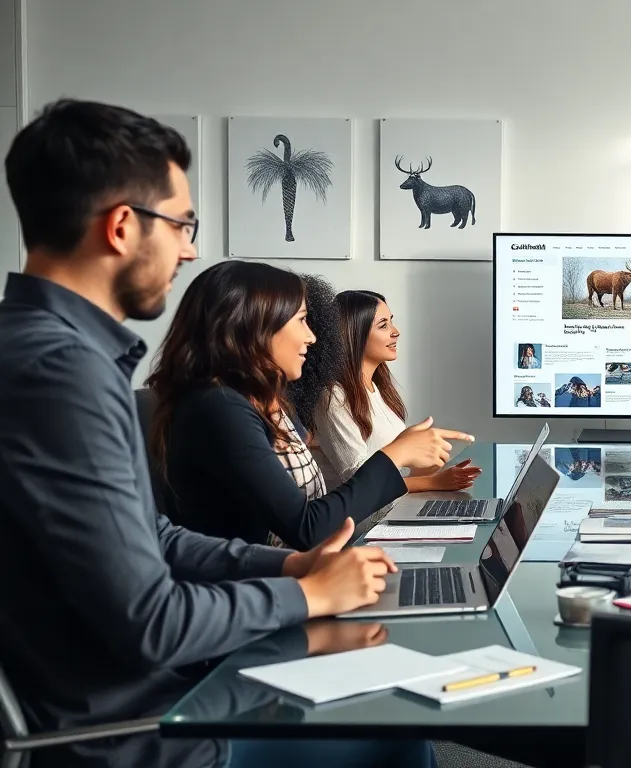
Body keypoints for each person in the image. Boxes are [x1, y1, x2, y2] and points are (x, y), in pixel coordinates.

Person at [0, 99, 432, 767]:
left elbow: (152, 535)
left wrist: (291, 565)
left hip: (143, 696)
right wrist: (308, 594)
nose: (190, 248)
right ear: (121, 227)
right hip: (140, 731)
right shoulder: (60, 373)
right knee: (395, 730)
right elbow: (152, 624)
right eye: (181, 224)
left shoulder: (43, 350)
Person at [147, 261, 469, 551]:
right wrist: (396, 453)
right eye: (301, 320)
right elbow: (308, 529)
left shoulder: (263, 404)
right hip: (265, 590)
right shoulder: (221, 409)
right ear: (256, 328)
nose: (313, 337)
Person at [310, 289, 481, 491]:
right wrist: (434, 482)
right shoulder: (334, 396)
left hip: (389, 508)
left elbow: (394, 472)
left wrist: (427, 466)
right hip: (361, 521)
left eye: (391, 321)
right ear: (353, 334)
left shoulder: (378, 389)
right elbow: (357, 481)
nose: (395, 331)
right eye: (383, 325)